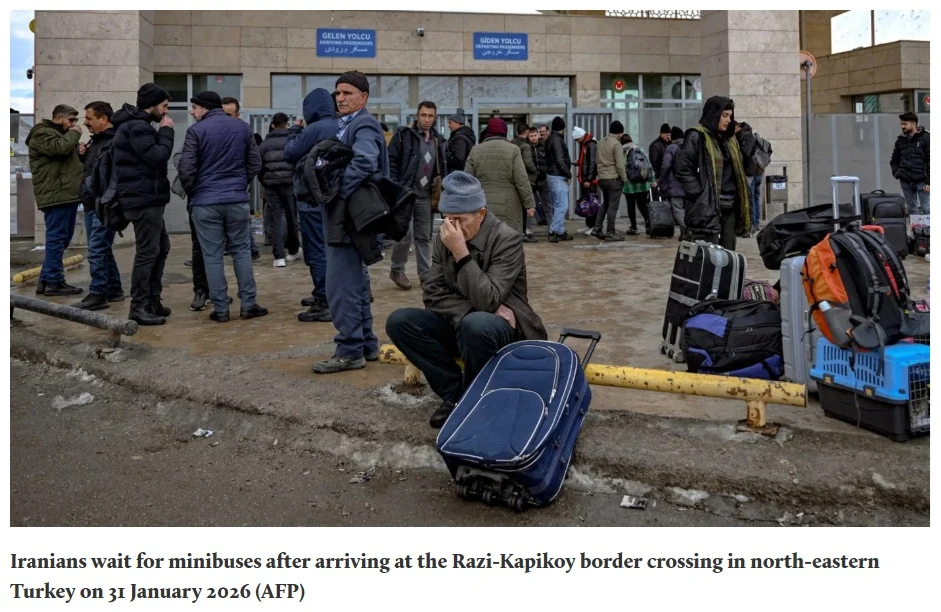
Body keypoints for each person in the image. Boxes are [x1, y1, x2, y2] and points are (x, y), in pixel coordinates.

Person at [386, 171, 548, 428]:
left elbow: (490, 298)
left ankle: (478, 399)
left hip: (505, 329)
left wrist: (461, 253)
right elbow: (432, 293)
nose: (453, 227)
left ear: (481, 214)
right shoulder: (445, 235)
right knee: (400, 321)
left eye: (460, 220)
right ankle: (454, 393)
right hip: (463, 321)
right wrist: (468, 311)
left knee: (476, 324)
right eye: (448, 218)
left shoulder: (507, 238)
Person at [313, 71, 387, 374]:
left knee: (341, 286)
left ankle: (348, 352)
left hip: (347, 219)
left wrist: (337, 191)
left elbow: (366, 161)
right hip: (349, 220)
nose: (341, 98)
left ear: (363, 98)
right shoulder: (351, 125)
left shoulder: (363, 123)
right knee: (355, 283)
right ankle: (366, 345)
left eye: (347, 93)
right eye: (338, 93)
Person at [178, 90, 266, 322]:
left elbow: (186, 170)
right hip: (236, 200)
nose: (192, 112)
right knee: (242, 251)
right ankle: (249, 304)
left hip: (205, 202)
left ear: (204, 108)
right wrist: (239, 184)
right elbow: (255, 163)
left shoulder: (195, 131)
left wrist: (196, 191)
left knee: (212, 254)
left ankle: (221, 309)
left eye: (194, 108)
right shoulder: (243, 128)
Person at [111, 84, 175, 325]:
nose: (166, 112)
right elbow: (158, 157)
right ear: (153, 104)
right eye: (164, 106)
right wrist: (167, 132)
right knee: (148, 252)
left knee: (161, 247)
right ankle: (139, 306)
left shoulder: (140, 126)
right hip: (143, 199)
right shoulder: (138, 127)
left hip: (148, 198)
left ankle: (151, 300)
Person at [283, 88, 339, 323]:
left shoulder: (313, 129)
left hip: (312, 200)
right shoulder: (342, 125)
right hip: (335, 199)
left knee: (316, 252)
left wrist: (295, 130)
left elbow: (290, 153)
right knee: (336, 250)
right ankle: (330, 294)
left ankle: (323, 301)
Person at [674, 95, 751, 251]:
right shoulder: (697, 136)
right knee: (709, 257)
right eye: (724, 115)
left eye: (730, 116)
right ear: (713, 114)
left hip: (730, 206)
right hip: (707, 207)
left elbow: (741, 169)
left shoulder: (730, 140)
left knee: (728, 255)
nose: (729, 120)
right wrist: (699, 193)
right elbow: (682, 169)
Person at [26, 104, 84, 297]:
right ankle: (54, 282)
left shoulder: (56, 134)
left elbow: (64, 157)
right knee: (57, 239)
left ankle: (45, 280)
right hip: (56, 195)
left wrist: (79, 152)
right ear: (58, 118)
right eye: (71, 120)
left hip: (64, 194)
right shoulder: (42, 133)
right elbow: (59, 149)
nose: (75, 124)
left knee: (61, 239)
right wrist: (75, 135)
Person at [387, 100, 446, 290]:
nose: (426, 119)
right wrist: (395, 188)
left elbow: (440, 166)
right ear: (417, 116)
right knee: (404, 234)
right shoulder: (404, 136)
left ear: (435, 118)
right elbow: (392, 162)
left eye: (430, 116)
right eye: (423, 115)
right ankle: (397, 268)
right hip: (406, 194)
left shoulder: (437, 140)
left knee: (423, 237)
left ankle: (425, 275)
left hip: (426, 195)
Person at [74, 101, 124, 310]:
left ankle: (98, 293)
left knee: (96, 250)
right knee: (102, 249)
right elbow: (93, 172)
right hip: (91, 204)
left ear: (104, 119)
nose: (85, 123)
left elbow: (113, 176)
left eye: (89, 118)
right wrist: (82, 155)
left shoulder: (113, 142)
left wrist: (106, 200)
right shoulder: (97, 141)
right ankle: (113, 289)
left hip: (104, 205)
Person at [466, 117, 536, 236]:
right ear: (504, 132)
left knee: (485, 242)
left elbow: (467, 180)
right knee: (508, 243)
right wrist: (529, 204)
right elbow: (521, 179)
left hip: (482, 205)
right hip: (509, 206)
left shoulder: (475, 150)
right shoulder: (513, 150)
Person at [258, 112, 300, 267]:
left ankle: (279, 256)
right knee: (292, 218)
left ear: (273, 125)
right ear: (286, 125)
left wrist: (265, 181)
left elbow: (258, 166)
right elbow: (298, 162)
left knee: (274, 220)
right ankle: (293, 251)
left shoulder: (264, 144)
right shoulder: (292, 140)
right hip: (290, 185)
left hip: (271, 187)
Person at [221, 96, 261, 261]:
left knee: (241, 223)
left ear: (237, 115)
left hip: (237, 187)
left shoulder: (244, 131)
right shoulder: (209, 131)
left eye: (229, 115)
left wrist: (242, 180)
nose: (225, 119)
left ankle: (250, 249)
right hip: (216, 188)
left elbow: (254, 162)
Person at [891, 111, 930, 215]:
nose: (902, 126)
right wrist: (897, 173)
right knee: (912, 210)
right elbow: (894, 160)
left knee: (927, 209)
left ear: (913, 124)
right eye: (901, 124)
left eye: (905, 123)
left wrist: (929, 182)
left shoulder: (926, 138)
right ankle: (915, 231)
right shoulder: (900, 141)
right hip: (906, 181)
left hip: (923, 181)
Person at [594, 120, 627, 241]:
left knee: (606, 203)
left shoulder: (601, 142)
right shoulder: (616, 144)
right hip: (614, 179)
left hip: (602, 179)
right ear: (620, 133)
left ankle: (597, 228)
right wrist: (624, 179)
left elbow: (597, 160)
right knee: (613, 206)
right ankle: (610, 232)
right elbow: (620, 165)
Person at [544, 116, 573, 242]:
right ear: (563, 128)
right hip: (558, 176)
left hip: (552, 175)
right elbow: (560, 159)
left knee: (557, 205)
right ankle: (553, 230)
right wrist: (568, 174)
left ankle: (560, 231)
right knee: (562, 206)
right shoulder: (557, 140)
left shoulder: (551, 138)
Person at [621, 134, 655, 235]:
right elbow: (648, 165)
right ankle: (649, 225)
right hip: (643, 184)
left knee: (631, 206)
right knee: (643, 206)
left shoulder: (623, 152)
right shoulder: (640, 150)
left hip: (629, 185)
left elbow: (622, 167)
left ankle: (634, 227)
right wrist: (652, 179)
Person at [658, 126, 687, 239]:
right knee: (686, 209)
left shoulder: (671, 148)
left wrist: (661, 180)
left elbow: (666, 166)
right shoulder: (689, 146)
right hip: (690, 184)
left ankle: (685, 228)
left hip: (675, 184)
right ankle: (684, 232)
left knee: (677, 208)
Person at [511, 123, 539, 242]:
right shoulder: (525, 146)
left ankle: (518, 231)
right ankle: (523, 232)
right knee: (526, 206)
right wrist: (536, 171)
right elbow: (528, 163)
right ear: (527, 132)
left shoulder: (512, 143)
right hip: (526, 178)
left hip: (513, 178)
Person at [734, 122, 762, 235]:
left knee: (750, 199)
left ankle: (752, 224)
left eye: (735, 127)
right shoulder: (747, 136)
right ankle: (755, 223)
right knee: (754, 198)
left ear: (739, 128)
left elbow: (745, 153)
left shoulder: (747, 136)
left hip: (752, 173)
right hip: (757, 172)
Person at [573, 126, 599, 236]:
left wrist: (589, 179)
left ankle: (594, 226)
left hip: (589, 180)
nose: (577, 142)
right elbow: (586, 162)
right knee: (586, 203)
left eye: (577, 139)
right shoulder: (585, 144)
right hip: (584, 178)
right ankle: (589, 224)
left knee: (592, 203)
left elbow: (592, 163)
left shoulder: (591, 145)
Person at [532, 124, 550, 225]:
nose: (534, 137)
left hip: (543, 178)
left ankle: (551, 227)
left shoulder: (545, 145)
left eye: (535, 135)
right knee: (531, 204)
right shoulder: (528, 148)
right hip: (533, 180)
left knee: (547, 203)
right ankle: (539, 221)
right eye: (531, 136)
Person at [648, 122, 671, 198]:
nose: (668, 137)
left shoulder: (668, 144)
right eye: (667, 135)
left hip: (666, 175)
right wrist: (657, 177)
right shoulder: (655, 145)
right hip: (660, 176)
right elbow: (654, 162)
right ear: (661, 134)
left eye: (669, 135)